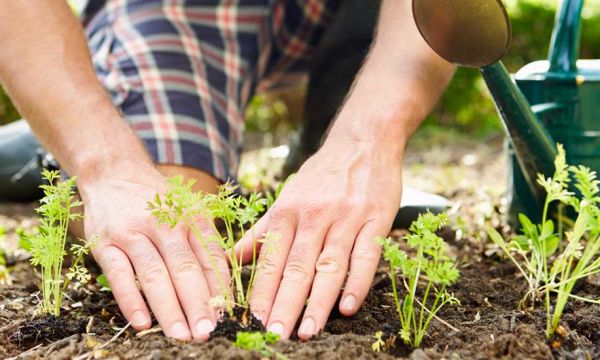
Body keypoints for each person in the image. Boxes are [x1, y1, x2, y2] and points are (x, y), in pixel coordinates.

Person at [0, 0, 453, 341]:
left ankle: (324, 139)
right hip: (189, 9)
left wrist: (367, 142)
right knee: (173, 215)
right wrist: (104, 162)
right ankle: (58, 130)